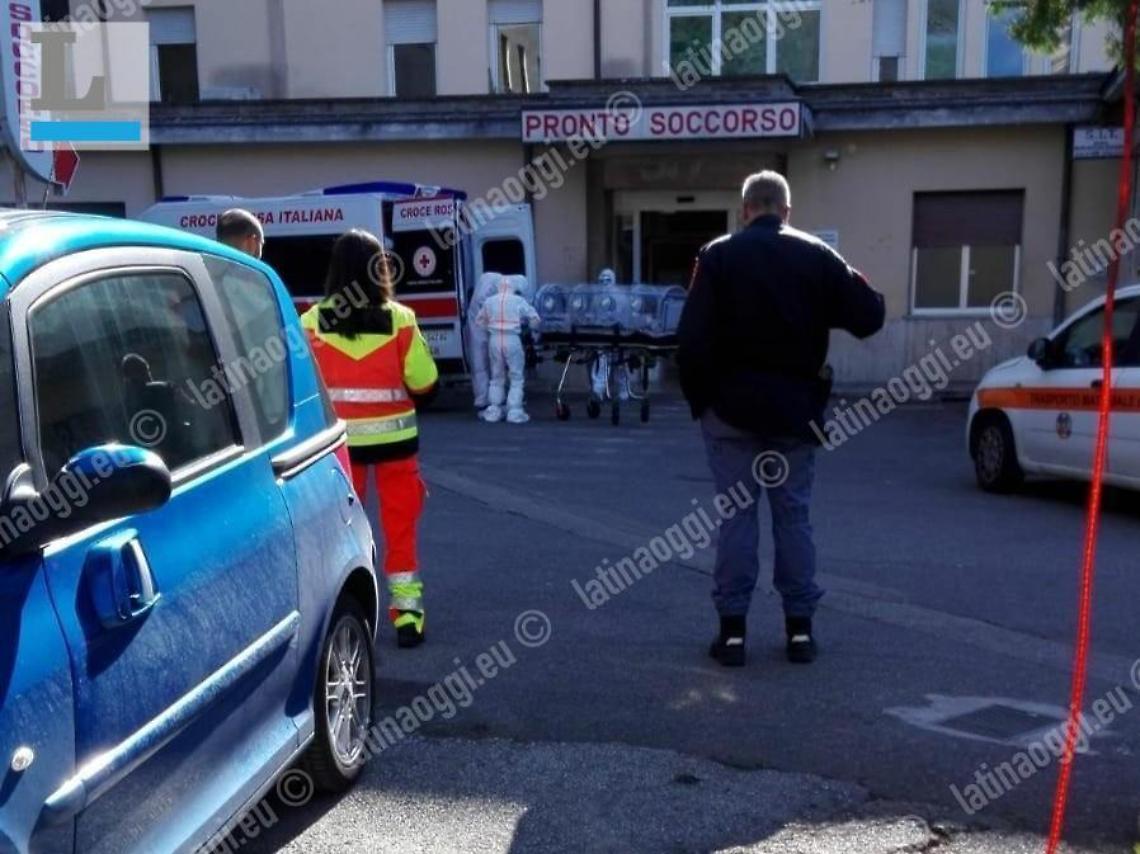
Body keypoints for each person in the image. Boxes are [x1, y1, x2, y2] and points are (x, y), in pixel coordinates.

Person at [678, 170, 885, 668]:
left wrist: (701, 403)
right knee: (794, 518)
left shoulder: (717, 256)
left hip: (729, 413)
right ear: (786, 211)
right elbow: (870, 314)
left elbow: (690, 340)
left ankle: (731, 635)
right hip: (795, 414)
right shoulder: (815, 254)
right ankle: (799, 633)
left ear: (744, 208)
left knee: (736, 520)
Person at [301, 229, 439, 648]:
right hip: (397, 446)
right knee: (400, 531)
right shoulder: (401, 320)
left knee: (343, 532)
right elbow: (425, 381)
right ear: (378, 269)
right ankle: (408, 616)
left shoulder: (310, 323)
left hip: (339, 449)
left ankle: (346, 615)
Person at [477, 274, 541, 424]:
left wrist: (491, 328)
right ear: (513, 287)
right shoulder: (518, 301)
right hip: (512, 338)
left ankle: (494, 409)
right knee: (516, 376)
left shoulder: (489, 301)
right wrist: (528, 328)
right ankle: (514, 410)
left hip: (494, 339)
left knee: (496, 376)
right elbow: (535, 319)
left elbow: (479, 321)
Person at [466, 271, 502, 411]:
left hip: (480, 323)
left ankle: (488, 399)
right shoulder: (491, 284)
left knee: (481, 362)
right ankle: (485, 399)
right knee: (481, 361)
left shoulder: (489, 282)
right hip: (479, 323)